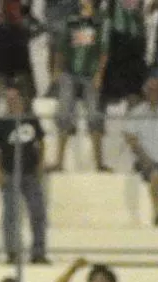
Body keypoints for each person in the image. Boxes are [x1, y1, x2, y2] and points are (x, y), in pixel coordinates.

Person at [0, 83, 48, 264]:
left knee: (37, 212)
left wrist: (41, 164)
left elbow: (41, 142)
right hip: (9, 172)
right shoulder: (0, 123)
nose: (12, 102)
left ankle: (38, 252)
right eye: (9, 99)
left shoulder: (31, 120)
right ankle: (12, 253)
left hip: (30, 172)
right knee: (10, 214)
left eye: (15, 98)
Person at [47, 0, 110, 173]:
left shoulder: (101, 20)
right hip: (69, 72)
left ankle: (99, 163)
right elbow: (61, 46)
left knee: (94, 115)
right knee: (64, 112)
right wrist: (56, 70)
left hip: (90, 73)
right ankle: (59, 162)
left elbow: (104, 51)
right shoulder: (71, 19)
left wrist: (99, 74)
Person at [123, 77, 158, 226]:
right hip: (145, 158)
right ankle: (157, 214)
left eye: (155, 89)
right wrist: (144, 157)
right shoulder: (137, 112)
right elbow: (130, 138)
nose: (153, 93)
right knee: (155, 173)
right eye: (150, 90)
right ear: (144, 92)